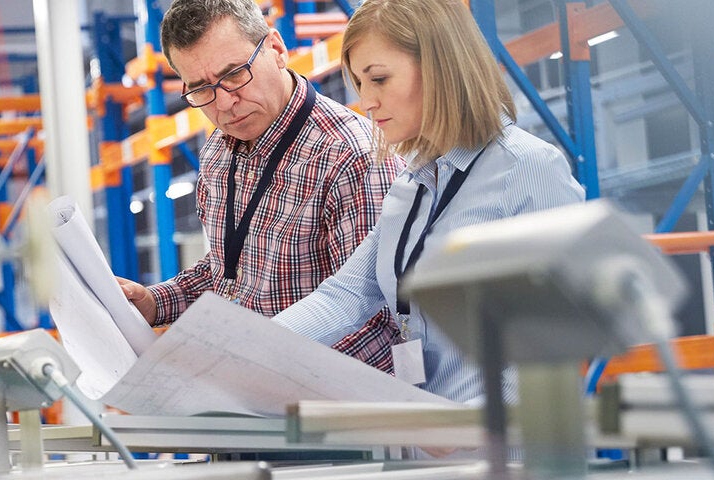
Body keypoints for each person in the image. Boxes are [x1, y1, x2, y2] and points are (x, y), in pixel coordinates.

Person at [272, 0, 585, 405]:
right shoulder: (411, 185)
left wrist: (468, 425)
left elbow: (559, 337)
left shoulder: (527, 168)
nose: (367, 101)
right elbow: (345, 296)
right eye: (360, 84)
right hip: (428, 445)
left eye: (379, 79)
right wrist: (241, 347)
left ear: (441, 68)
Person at [116, 0, 404, 371]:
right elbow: (227, 273)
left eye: (234, 74)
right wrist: (154, 303)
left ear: (277, 49)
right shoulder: (219, 153)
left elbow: (375, 316)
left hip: (332, 408)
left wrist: (256, 366)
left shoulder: (350, 157)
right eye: (202, 89)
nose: (224, 103)